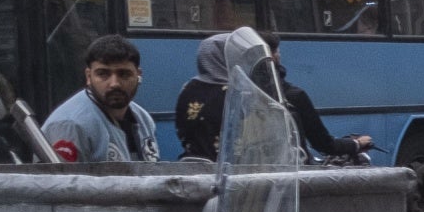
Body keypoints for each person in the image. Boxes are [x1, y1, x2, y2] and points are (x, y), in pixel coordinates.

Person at [174, 28, 376, 163]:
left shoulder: (188, 89)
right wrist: (355, 144)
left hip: (194, 168)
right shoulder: (243, 95)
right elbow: (322, 144)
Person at [44, 34, 162, 164]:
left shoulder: (143, 119)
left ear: (138, 75)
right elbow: (64, 177)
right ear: (89, 76)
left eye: (124, 74)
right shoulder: (70, 125)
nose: (114, 84)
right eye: (103, 74)